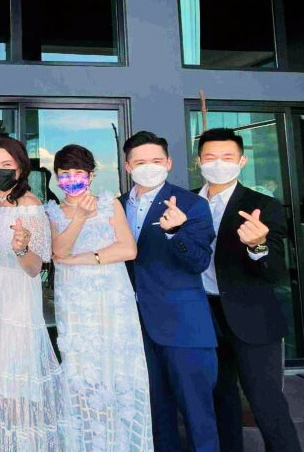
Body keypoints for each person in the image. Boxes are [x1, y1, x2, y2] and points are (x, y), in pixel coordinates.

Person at [195, 128, 301, 452]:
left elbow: (276, 272)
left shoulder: (262, 205)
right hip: (203, 315)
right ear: (199, 161)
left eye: (227, 157)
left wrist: (258, 245)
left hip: (252, 317)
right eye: (211, 157)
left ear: (242, 161)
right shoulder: (186, 203)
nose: (219, 164)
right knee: (220, 399)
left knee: (266, 402)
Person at [44, 144, 153, 451]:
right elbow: (59, 251)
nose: (71, 178)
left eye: (78, 172)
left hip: (112, 299)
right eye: (64, 173)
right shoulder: (52, 211)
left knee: (116, 371)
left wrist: (85, 258)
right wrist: (79, 216)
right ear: (57, 177)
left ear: (90, 175)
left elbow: (128, 249)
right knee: (81, 373)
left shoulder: (109, 204)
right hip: (75, 303)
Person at [119, 131, 218, 452]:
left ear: (169, 163)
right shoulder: (117, 206)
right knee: (155, 415)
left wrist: (176, 233)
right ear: (127, 166)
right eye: (140, 162)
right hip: (134, 327)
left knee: (198, 415)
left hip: (183, 326)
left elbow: (199, 261)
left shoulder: (192, 204)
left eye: (156, 161)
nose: (148, 167)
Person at [0, 133, 66, 451]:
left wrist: (21, 248)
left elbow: (35, 267)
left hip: (17, 303)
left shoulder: (31, 206)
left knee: (17, 384)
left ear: (20, 167)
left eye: (5, 164)